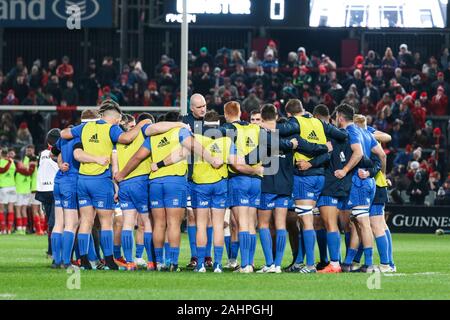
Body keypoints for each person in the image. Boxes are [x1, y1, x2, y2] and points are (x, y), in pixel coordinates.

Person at [115, 111, 221, 272]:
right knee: (173, 224)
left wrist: (122, 174)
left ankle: (158, 262)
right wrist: (212, 159)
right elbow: (192, 145)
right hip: (175, 181)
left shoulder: (153, 137)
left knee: (159, 224)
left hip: (155, 182)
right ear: (178, 121)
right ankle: (173, 262)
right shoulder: (181, 130)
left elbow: (137, 157)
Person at [59, 99, 151, 270]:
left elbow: (64, 134)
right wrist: (141, 124)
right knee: (106, 222)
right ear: (116, 119)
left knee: (86, 220)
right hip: (101, 180)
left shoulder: (85, 127)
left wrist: (76, 133)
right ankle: (109, 260)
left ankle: (85, 260)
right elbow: (127, 138)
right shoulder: (112, 128)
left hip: (83, 179)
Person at [268, 99, 347, 273]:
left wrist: (262, 127)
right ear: (303, 109)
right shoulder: (319, 122)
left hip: (304, 177)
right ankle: (335, 262)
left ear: (288, 114)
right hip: (321, 176)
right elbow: (342, 136)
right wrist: (322, 149)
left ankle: (309, 265)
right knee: (327, 222)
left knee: (306, 220)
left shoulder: (295, 123)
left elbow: (277, 130)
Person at [256, 104, 328, 273]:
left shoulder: (260, 133)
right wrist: (323, 148)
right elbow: (308, 146)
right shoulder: (292, 136)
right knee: (281, 225)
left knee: (264, 225)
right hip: (286, 184)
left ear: (262, 116)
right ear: (277, 115)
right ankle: (277, 265)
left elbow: (253, 154)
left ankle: (269, 263)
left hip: (267, 184)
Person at [335, 104, 385, 273]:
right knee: (357, 222)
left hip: (359, 182)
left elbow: (357, 153)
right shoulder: (365, 132)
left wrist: (345, 170)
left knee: (363, 223)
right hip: (366, 182)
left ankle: (369, 264)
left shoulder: (352, 132)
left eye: (336, 117)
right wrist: (376, 173)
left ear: (340, 117)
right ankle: (349, 261)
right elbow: (381, 154)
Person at [221, 101, 265, 273]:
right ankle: (251, 263)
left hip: (239, 179)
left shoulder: (229, 130)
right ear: (240, 112)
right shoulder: (255, 128)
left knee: (242, 224)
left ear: (226, 114)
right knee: (251, 224)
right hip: (256, 180)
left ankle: (245, 264)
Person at [35, 129, 60, 266]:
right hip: (55, 189)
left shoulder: (42, 154)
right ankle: (56, 254)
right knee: (57, 222)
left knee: (51, 223)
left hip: (44, 191)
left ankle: (51, 251)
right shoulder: (60, 153)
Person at [14, 148, 37, 234]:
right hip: (27, 191)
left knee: (19, 210)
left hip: (19, 191)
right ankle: (24, 229)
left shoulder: (18, 171)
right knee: (23, 210)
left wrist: (19, 168)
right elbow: (29, 172)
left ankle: (20, 229)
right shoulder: (28, 170)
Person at [0, 148, 17, 234]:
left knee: (2, 209)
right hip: (13, 187)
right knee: (10, 208)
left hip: (4, 187)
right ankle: (9, 229)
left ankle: (3, 230)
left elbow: (2, 171)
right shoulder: (12, 162)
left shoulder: (1, 162)